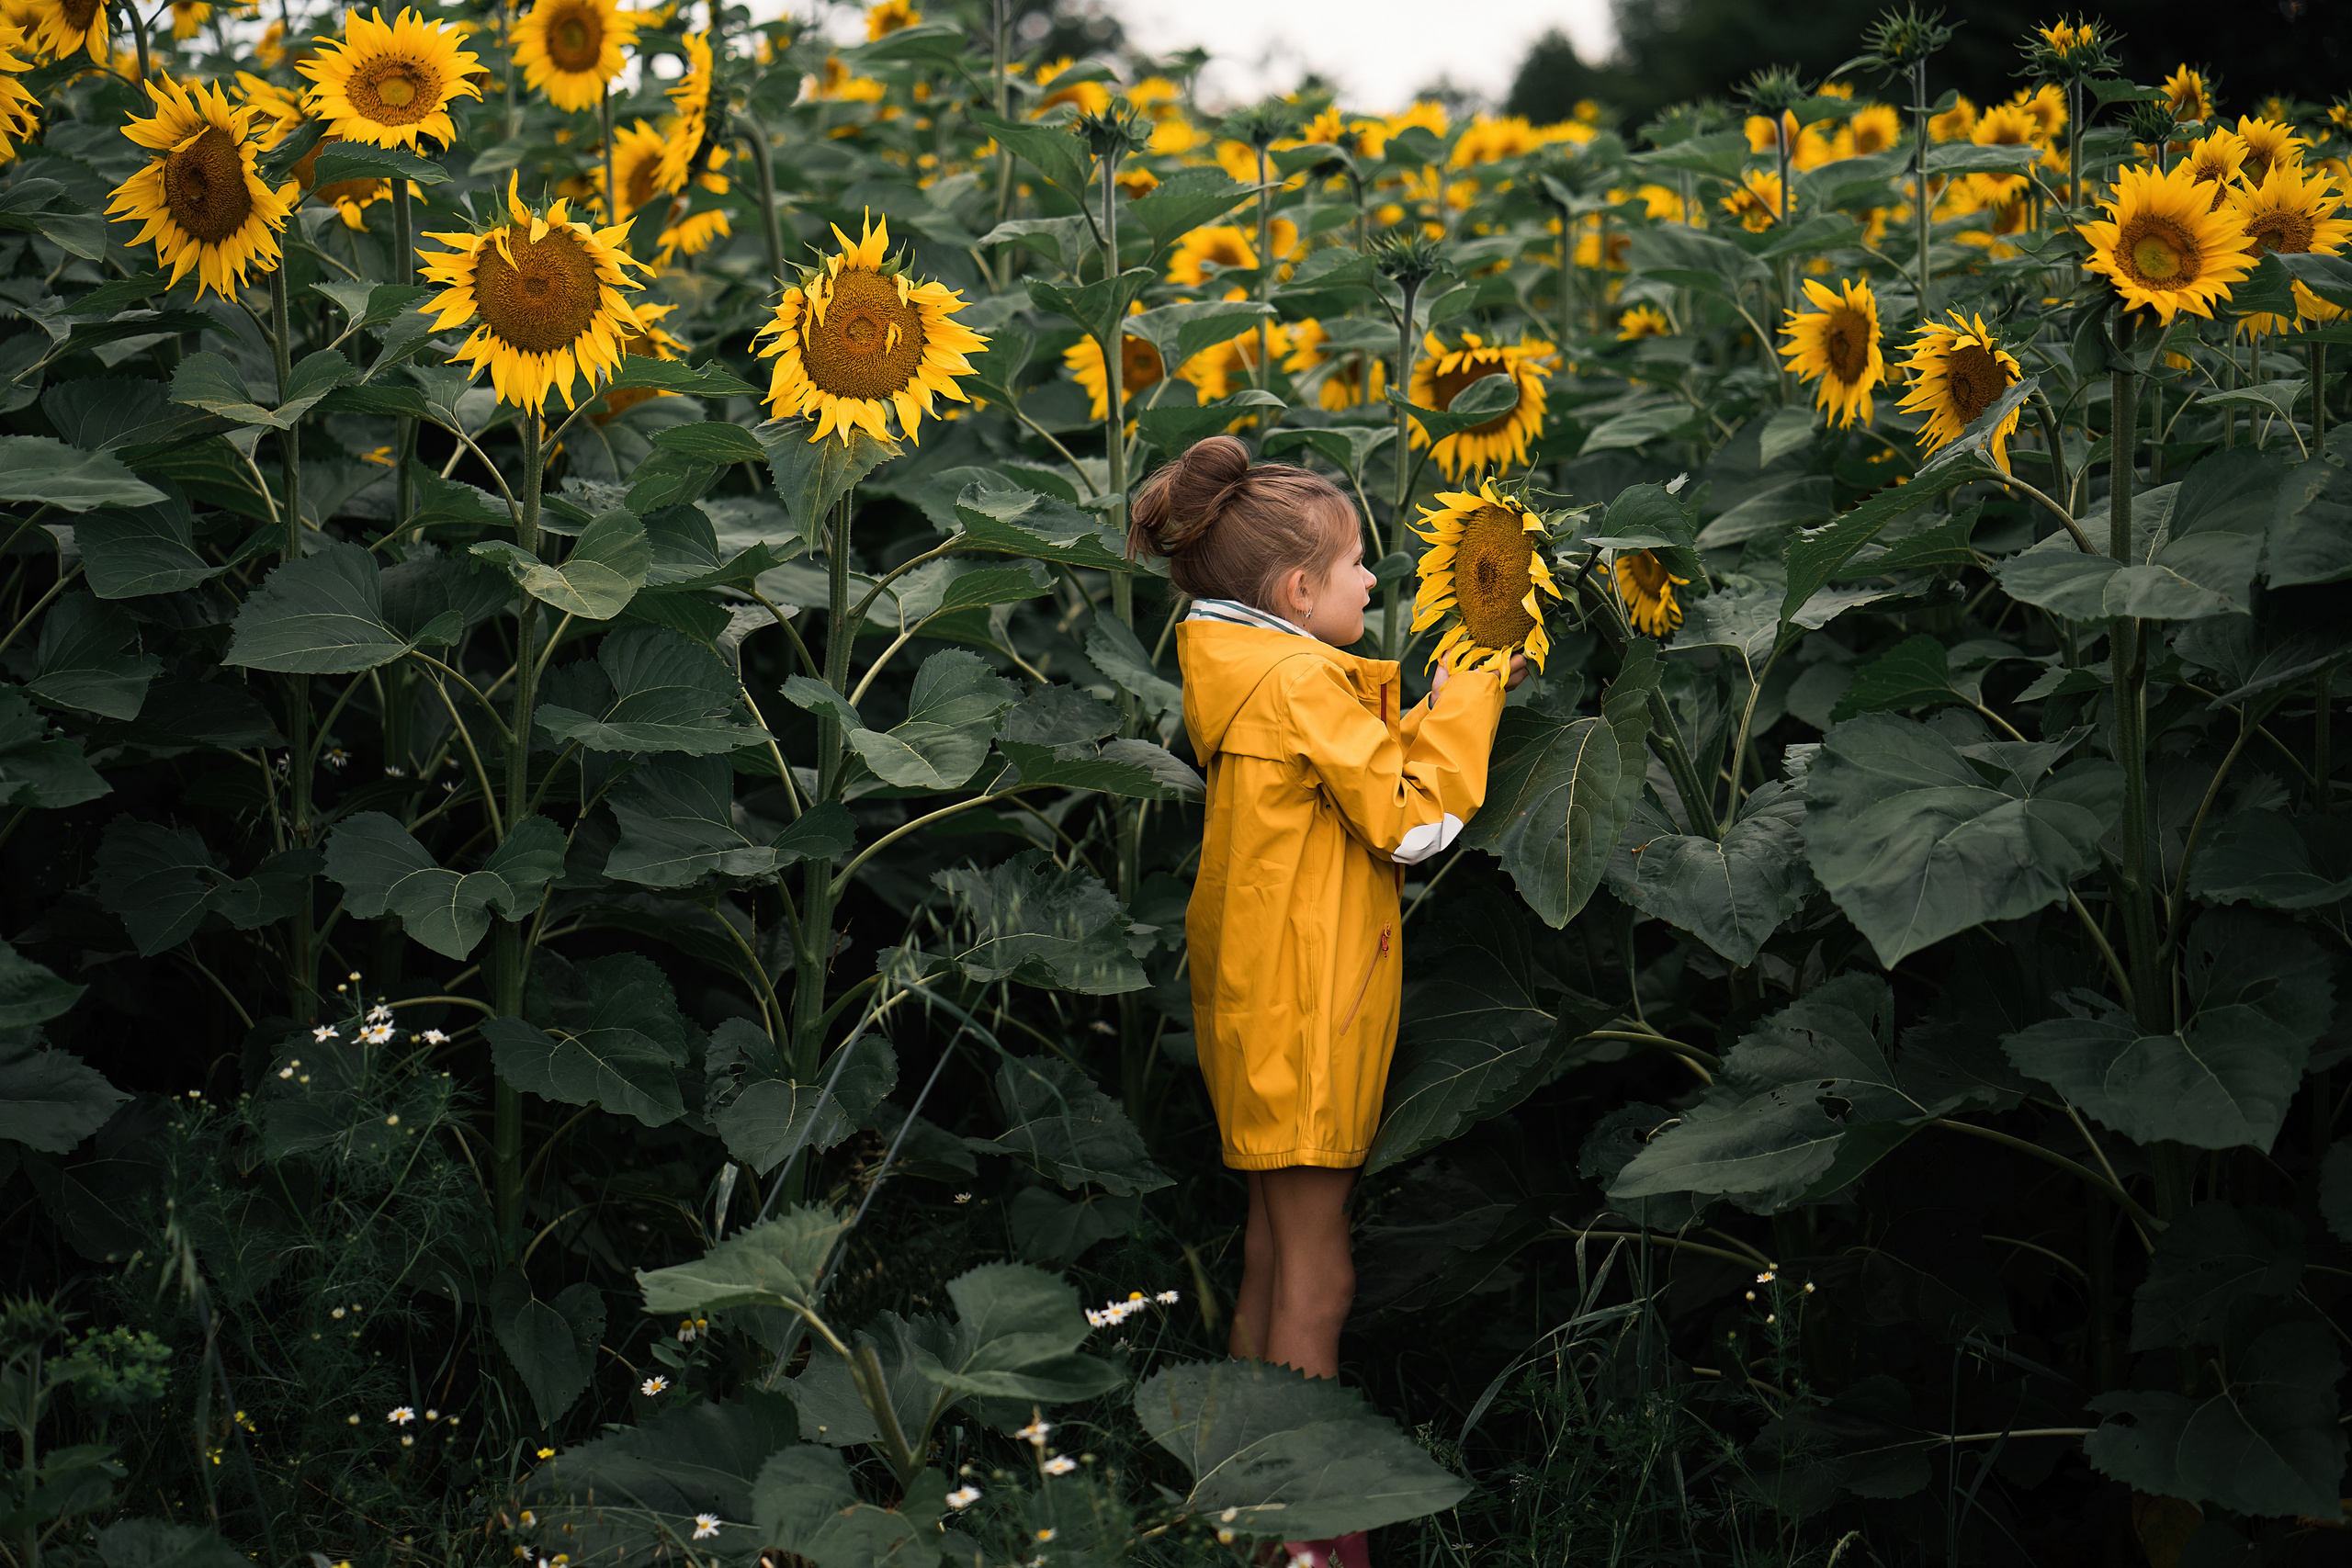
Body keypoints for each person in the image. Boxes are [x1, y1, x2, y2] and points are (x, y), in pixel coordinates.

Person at [1126, 435, 1524, 1568]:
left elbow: (1347, 787)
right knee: (1318, 1276)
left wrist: (1418, 711)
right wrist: (1474, 689)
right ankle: (1305, 1540)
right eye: (1357, 567)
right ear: (1297, 594)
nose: (1371, 582)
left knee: (1270, 1258)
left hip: (1262, 1004)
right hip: (1311, 1011)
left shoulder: (1246, 675)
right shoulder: (1301, 684)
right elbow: (1411, 822)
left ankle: (1239, 1515)